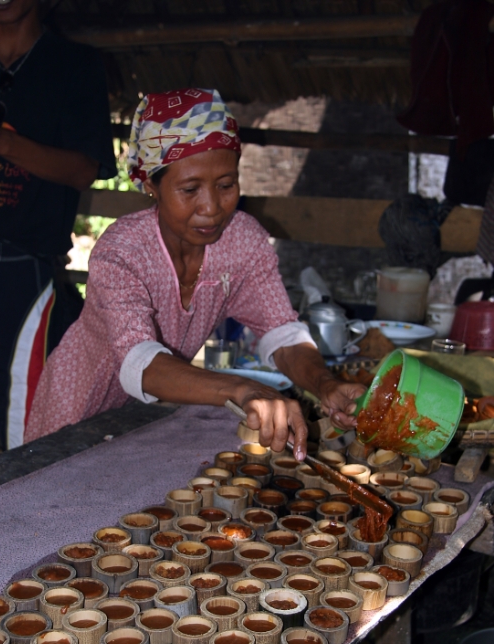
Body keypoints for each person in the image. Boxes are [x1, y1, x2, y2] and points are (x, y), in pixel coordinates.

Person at [26, 89, 363, 458]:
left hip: (146, 416)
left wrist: (324, 383)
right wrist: (241, 388)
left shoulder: (242, 241)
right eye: (190, 189)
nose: (212, 208)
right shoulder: (122, 251)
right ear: (152, 185)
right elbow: (141, 364)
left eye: (226, 185)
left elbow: (282, 333)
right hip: (75, 409)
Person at [0, 0, 117, 453]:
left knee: (27, 433)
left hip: (22, 274)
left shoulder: (74, 64)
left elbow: (85, 168)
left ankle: (25, 525)